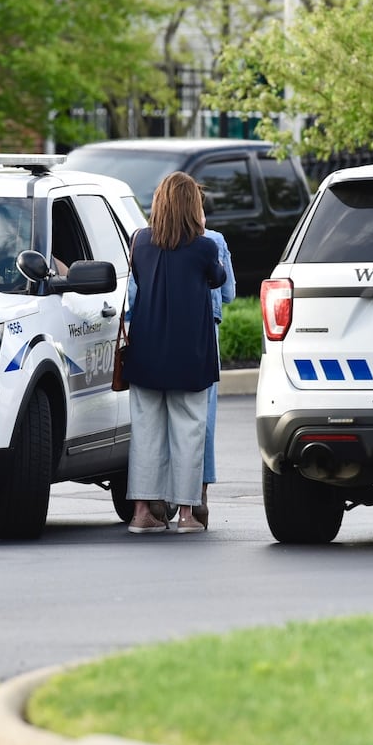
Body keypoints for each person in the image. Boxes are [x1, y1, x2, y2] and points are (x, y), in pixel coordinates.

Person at [122, 172, 227, 534]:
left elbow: (136, 281)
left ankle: (141, 514)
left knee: (146, 435)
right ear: (191, 206)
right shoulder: (205, 247)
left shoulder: (140, 242)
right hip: (190, 355)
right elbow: (218, 280)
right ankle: (186, 515)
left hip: (146, 352)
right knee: (189, 433)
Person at [196, 227, 235, 529]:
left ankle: (153, 500)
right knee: (202, 418)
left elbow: (132, 294)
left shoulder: (146, 238)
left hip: (158, 329)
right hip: (206, 329)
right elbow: (228, 293)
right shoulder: (213, 241)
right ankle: (199, 496)